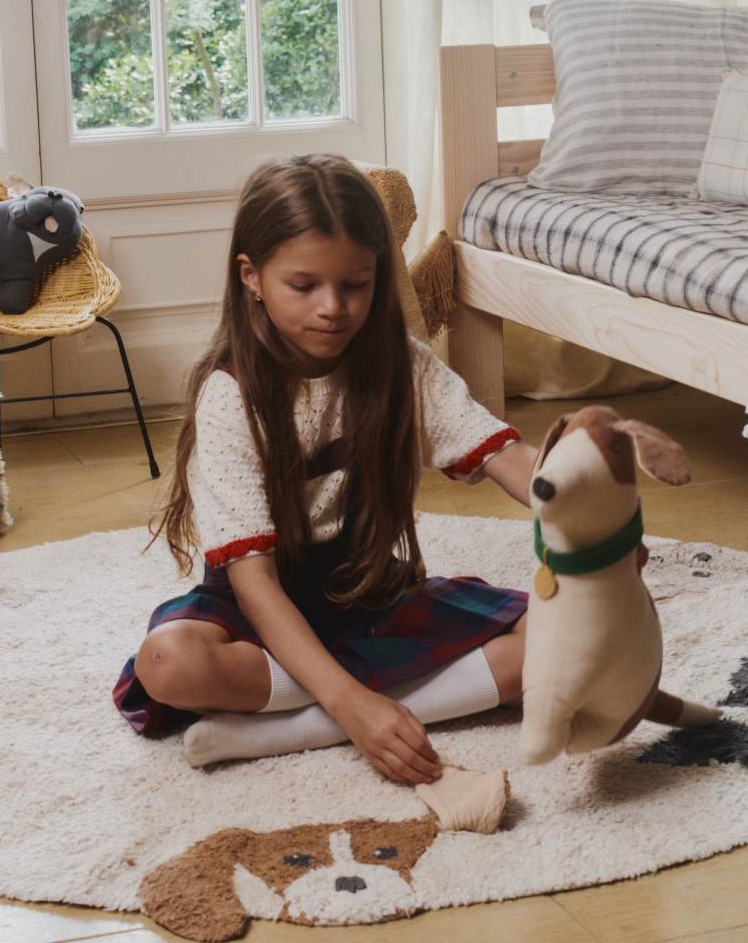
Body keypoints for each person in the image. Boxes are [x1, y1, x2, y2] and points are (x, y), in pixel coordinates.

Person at [112, 153, 538, 787]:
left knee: (565, 637)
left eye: (355, 284)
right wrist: (352, 703)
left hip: (367, 591)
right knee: (169, 664)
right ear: (251, 276)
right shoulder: (231, 396)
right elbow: (254, 585)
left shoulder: (402, 364)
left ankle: (291, 732)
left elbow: (508, 457)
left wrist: (588, 516)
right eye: (304, 286)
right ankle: (357, 706)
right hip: (260, 609)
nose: (333, 308)